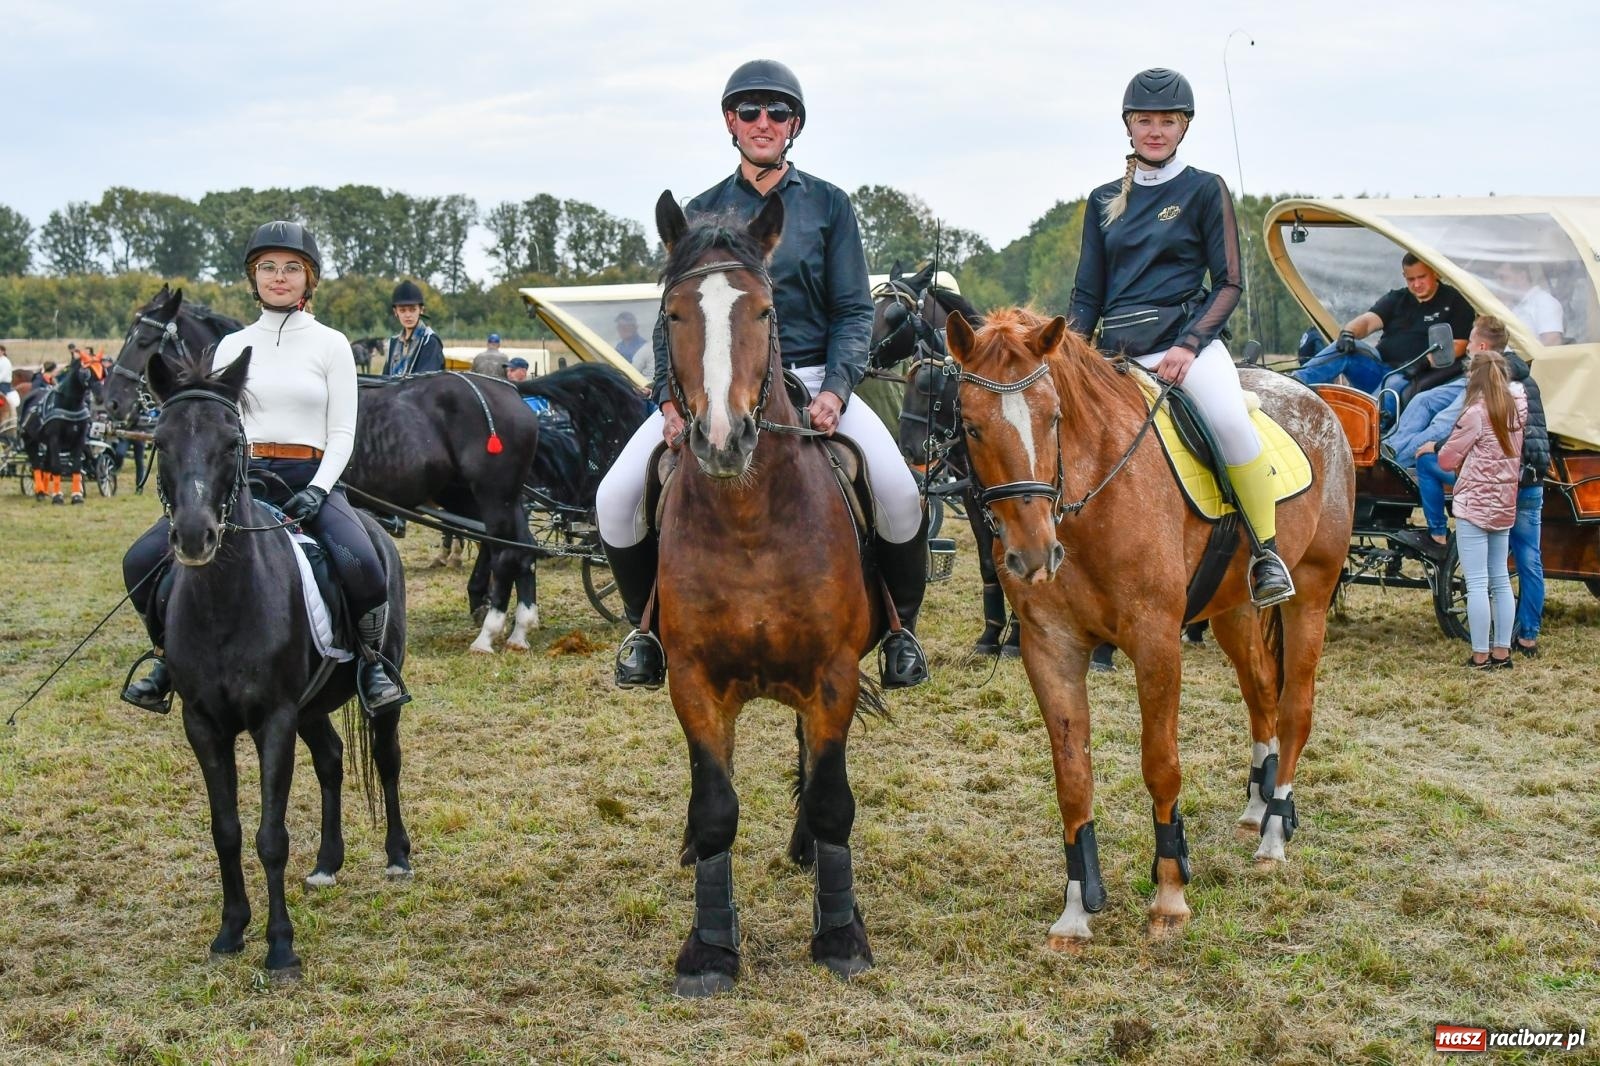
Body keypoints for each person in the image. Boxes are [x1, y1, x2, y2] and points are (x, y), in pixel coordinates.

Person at [594, 58, 931, 690]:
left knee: (899, 494)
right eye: (749, 111)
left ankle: (899, 630)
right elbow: (676, 318)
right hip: (714, 387)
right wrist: (671, 402)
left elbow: (854, 310)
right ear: (730, 121)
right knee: (613, 501)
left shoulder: (829, 205)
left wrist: (837, 389)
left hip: (811, 377)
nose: (763, 122)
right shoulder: (698, 211)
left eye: (777, 112)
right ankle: (648, 634)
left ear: (794, 125)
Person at [120, 221, 409, 715]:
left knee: (363, 564)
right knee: (141, 561)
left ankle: (370, 662)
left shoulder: (331, 344)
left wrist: (320, 490)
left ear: (308, 279)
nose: (279, 277)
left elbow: (342, 432)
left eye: (292, 268)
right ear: (253, 278)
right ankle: (168, 657)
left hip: (310, 478)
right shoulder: (231, 346)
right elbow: (215, 426)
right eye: (268, 268)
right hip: (241, 483)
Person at [1067, 67, 1291, 607]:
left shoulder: (1203, 189)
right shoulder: (1102, 200)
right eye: (1144, 120)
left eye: (1167, 121)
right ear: (1128, 125)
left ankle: (1265, 552)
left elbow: (1230, 282)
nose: (1155, 130)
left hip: (1184, 347)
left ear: (1183, 127)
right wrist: (1066, 357)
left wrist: (1189, 347)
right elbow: (1086, 298)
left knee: (1232, 424)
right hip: (1113, 355)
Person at [1437, 350, 1526, 669]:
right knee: (1500, 579)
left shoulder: (1475, 412)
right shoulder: (1518, 404)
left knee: (1476, 583)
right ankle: (1502, 652)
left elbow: (1446, 459)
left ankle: (1480, 655)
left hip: (1474, 504)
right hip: (1504, 502)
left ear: (1472, 377)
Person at [1292, 254, 1473, 403]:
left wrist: (1423, 362)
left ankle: (1369, 425)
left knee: (1393, 382)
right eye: (1411, 279)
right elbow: (1368, 321)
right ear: (1404, 276)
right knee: (1343, 349)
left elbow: (1458, 345)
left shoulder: (1454, 301)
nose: (1416, 284)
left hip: (1415, 375)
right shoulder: (1397, 298)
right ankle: (1292, 385)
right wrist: (1348, 334)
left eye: (1421, 277)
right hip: (1378, 366)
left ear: (1435, 273)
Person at [1493, 260, 1564, 347]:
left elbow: (1552, 343)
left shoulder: (1543, 301)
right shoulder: (1513, 304)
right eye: (1496, 279)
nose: (1498, 283)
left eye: (1503, 278)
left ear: (1522, 277)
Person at [382, 280, 444, 376]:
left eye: (412, 310)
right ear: (395, 312)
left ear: (421, 310)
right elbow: (384, 380)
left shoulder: (430, 342)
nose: (408, 315)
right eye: (402, 310)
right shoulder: (393, 343)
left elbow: (427, 383)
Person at [614, 312, 650, 376]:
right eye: (620, 326)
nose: (623, 329)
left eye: (627, 326)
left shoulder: (644, 347)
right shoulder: (619, 346)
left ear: (635, 327)